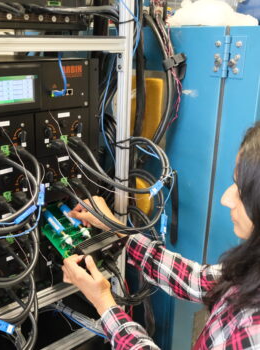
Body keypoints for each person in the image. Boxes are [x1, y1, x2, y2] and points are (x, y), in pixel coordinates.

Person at [62, 121, 260, 349]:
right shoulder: (252, 269)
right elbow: (194, 279)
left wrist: (104, 302)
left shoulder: (255, 333)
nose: (226, 199)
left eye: (242, 189)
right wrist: (116, 229)